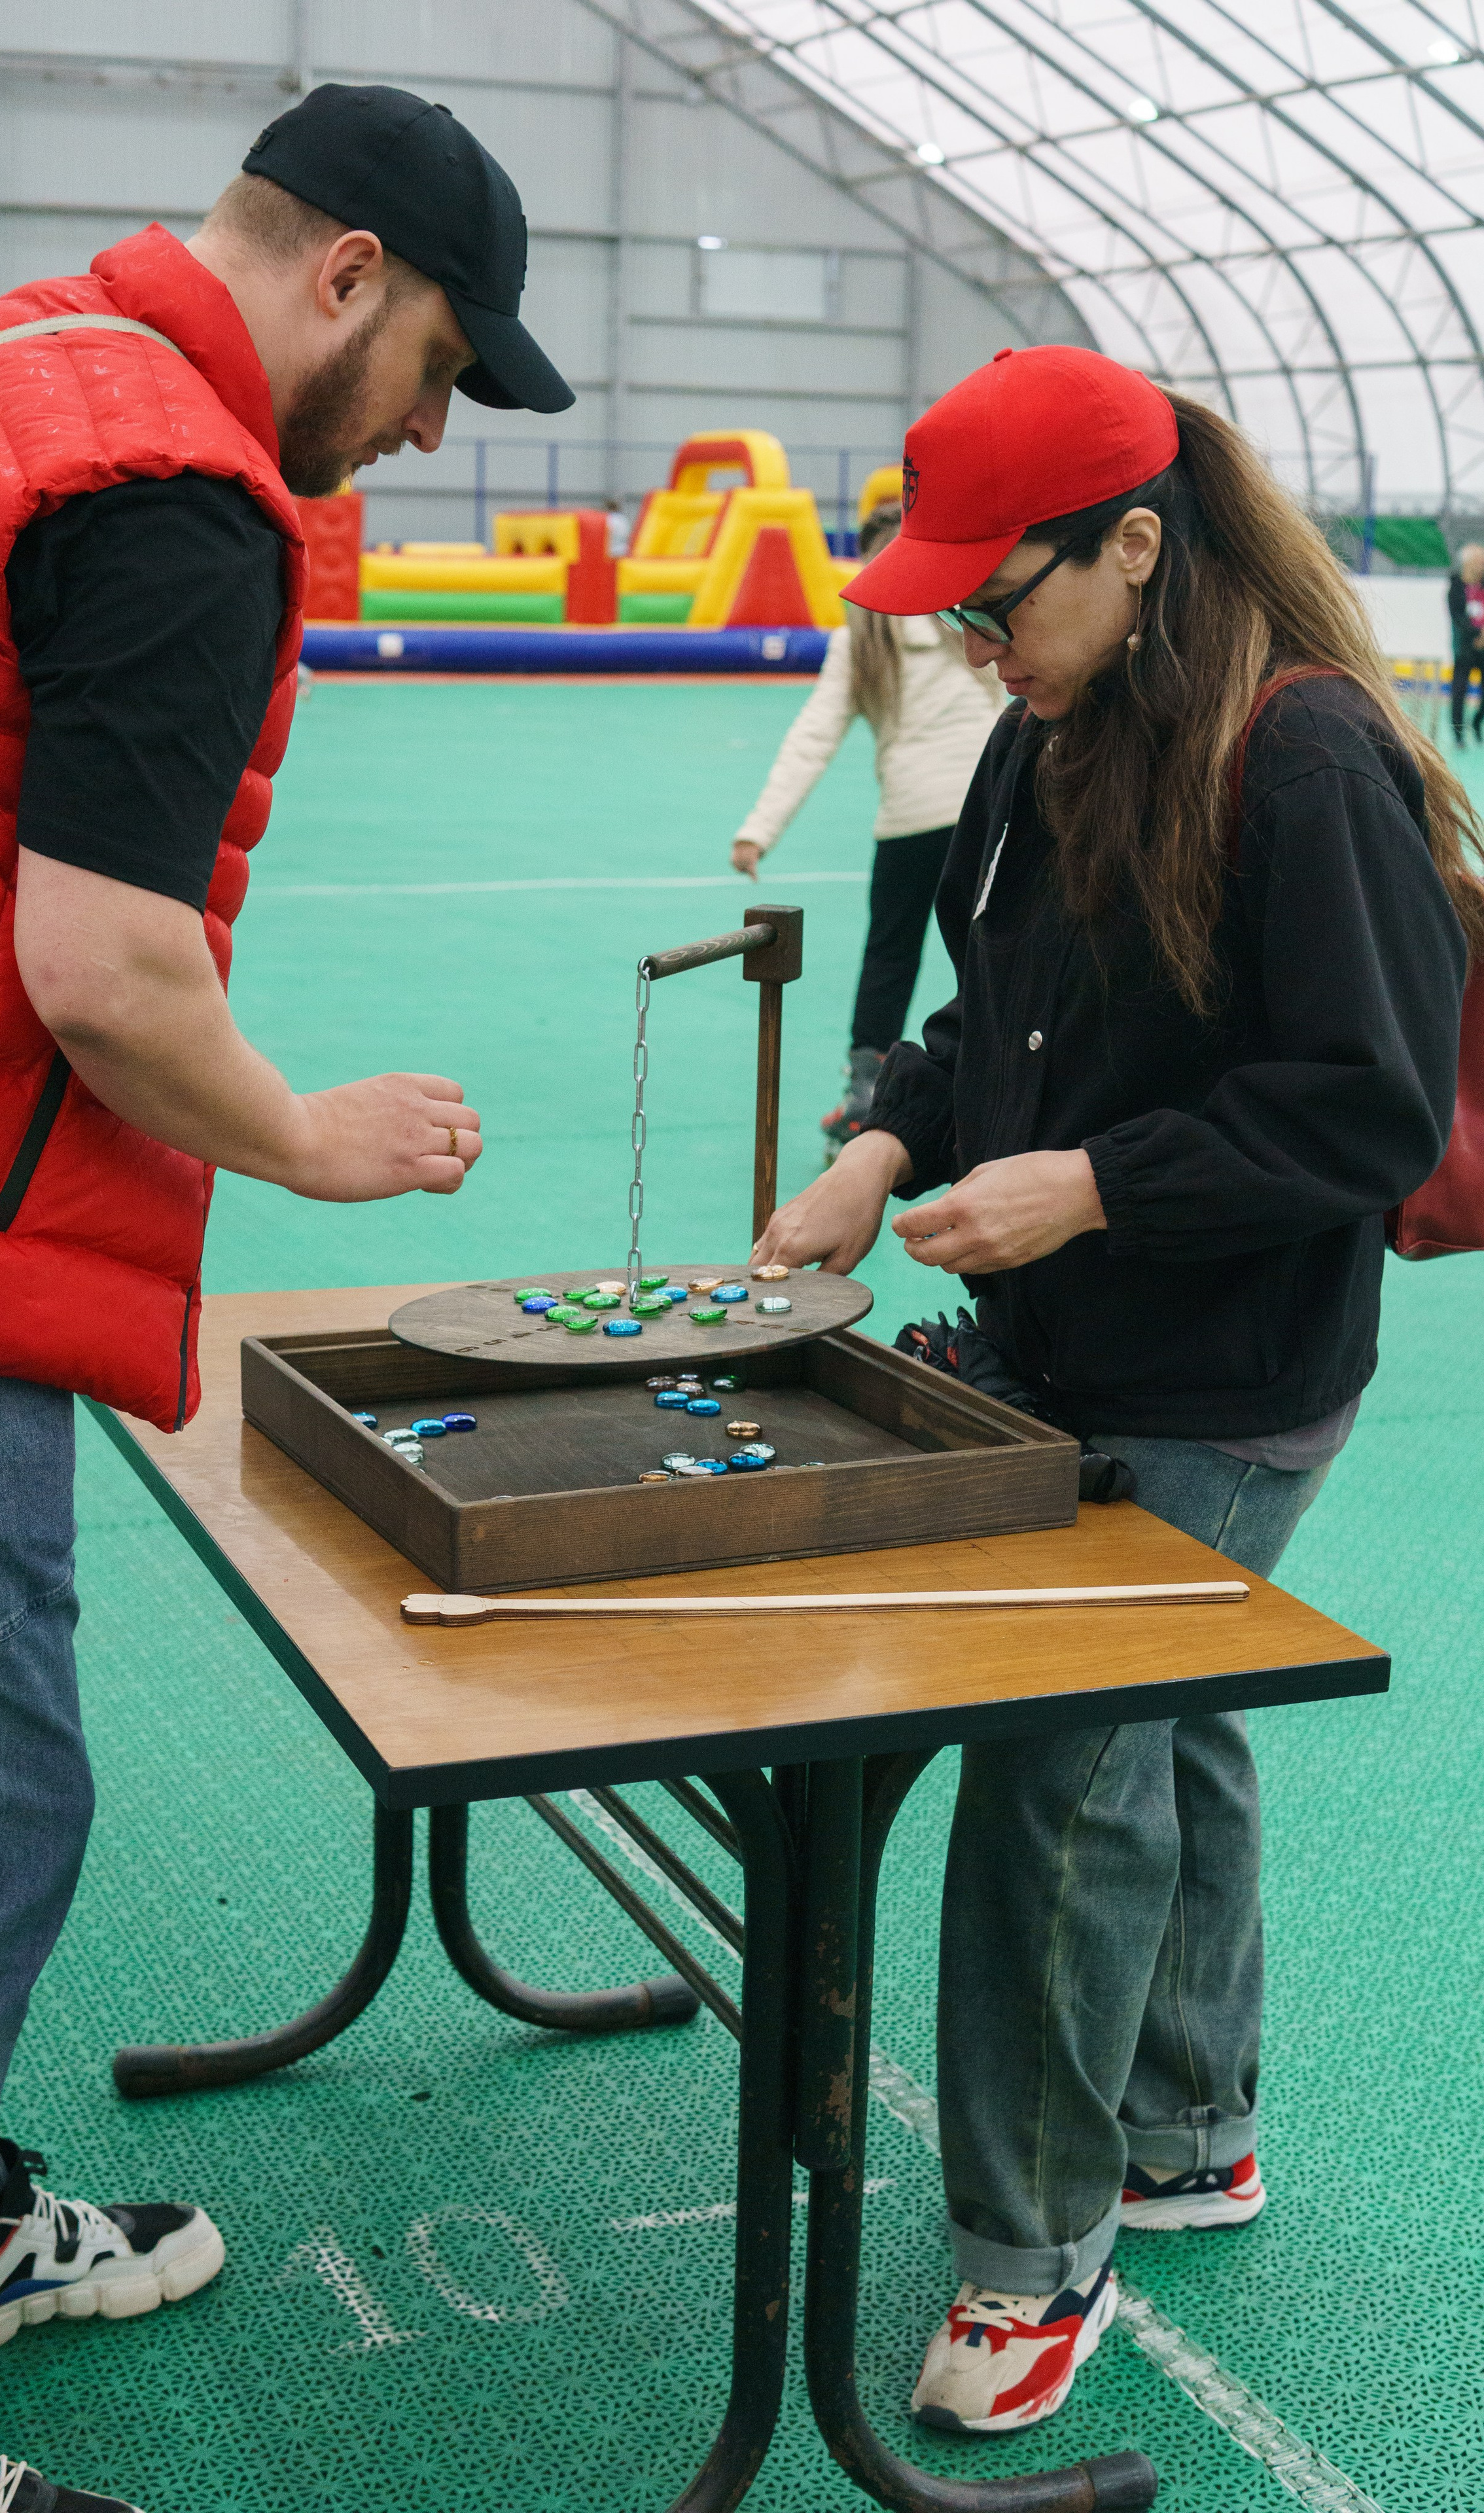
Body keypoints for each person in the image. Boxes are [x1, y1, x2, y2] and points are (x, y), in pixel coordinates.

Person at [0, 82, 571, 2513]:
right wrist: (307, 1132)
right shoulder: (171, 492)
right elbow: (110, 969)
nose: (433, 424)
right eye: (441, 359)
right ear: (342, 274)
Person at [752, 344, 1477, 2438]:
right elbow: (995, 1005)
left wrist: (1087, 1185)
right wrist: (884, 1138)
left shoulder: (1311, 753)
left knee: (1061, 1762)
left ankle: (1030, 2248)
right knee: (1168, 1712)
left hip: (1233, 1380)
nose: (978, 642)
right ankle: (1187, 2126)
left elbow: (1362, 1107)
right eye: (957, 611)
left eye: (1006, 599)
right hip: (1073, 1345)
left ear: (1138, 546)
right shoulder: (1036, 738)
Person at [730, 503, 1004, 1154]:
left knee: (890, 951)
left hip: (910, 818)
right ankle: (1003, 1081)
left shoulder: (860, 638)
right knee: (995, 951)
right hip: (988, 807)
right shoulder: (966, 617)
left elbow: (812, 738)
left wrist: (758, 830)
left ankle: (865, 1092)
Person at [1447, 540, 1484, 743]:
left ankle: (1478, 722)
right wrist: (1477, 634)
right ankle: (1459, 734)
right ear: (1468, 564)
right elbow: (1458, 618)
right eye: (1479, 561)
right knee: (1459, 692)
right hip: (1464, 648)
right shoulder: (1456, 588)